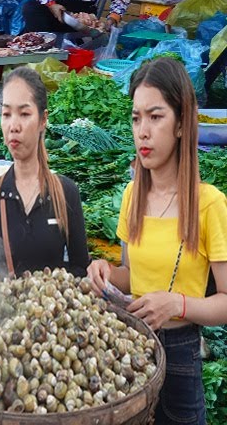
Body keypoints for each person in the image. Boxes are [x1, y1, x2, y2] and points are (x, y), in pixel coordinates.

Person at [85, 58, 227, 424]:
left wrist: (176, 304)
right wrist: (105, 271)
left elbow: (225, 303)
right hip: (130, 348)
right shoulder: (133, 194)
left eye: (156, 116)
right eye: (136, 118)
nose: (142, 131)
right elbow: (131, 276)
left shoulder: (209, 203)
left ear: (182, 123)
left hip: (180, 354)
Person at [0, 67, 88, 287]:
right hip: (7, 318)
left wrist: (55, 289)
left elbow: (80, 267)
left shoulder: (66, 192)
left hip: (52, 314)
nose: (13, 126)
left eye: (24, 114)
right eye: (6, 114)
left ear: (43, 120)